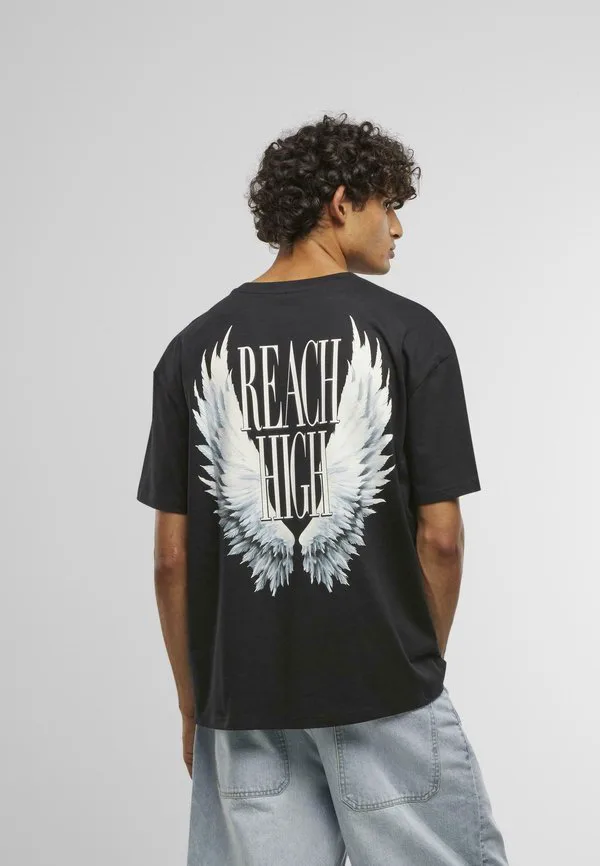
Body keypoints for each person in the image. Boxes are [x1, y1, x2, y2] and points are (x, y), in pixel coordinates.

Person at [136, 112, 510, 866]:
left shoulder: (191, 349)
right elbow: (441, 538)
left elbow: (171, 559)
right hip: (384, 692)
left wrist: (193, 704)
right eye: (388, 205)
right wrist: (415, 671)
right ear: (342, 204)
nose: (397, 227)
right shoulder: (410, 334)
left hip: (242, 706)